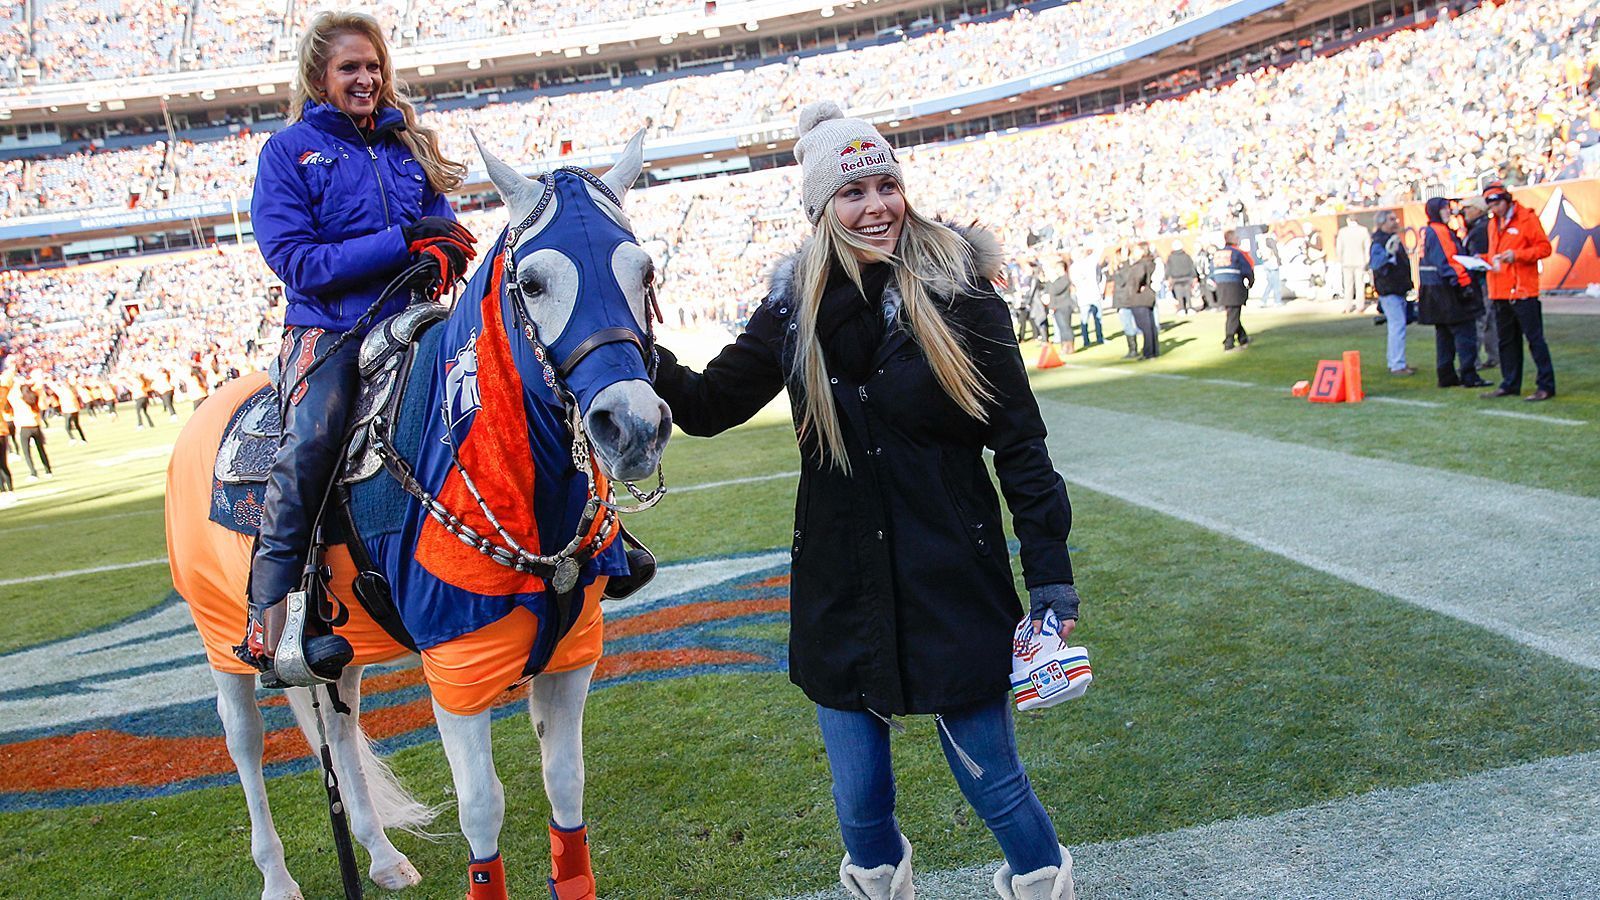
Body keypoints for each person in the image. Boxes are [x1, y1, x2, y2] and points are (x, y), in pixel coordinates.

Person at [653, 102, 1080, 900]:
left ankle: (1045, 886)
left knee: (998, 787)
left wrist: (1050, 582)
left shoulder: (962, 297)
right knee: (861, 811)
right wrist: (631, 346)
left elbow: (1022, 446)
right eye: (852, 192)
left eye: (887, 183)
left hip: (951, 579)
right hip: (838, 592)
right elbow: (709, 406)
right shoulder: (793, 309)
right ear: (820, 209)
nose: (876, 205)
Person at [239, 11, 476, 675]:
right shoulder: (287, 153)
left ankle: (590, 543)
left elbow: (443, 226)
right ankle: (274, 618)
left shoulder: (410, 144)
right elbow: (297, 262)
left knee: (512, 384)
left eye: (373, 66)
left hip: (416, 320)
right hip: (329, 328)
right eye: (350, 68)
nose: (366, 78)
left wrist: (444, 252)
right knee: (311, 442)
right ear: (320, 77)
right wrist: (403, 242)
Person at [1477, 181, 1555, 402]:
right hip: (1500, 291)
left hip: (1522, 291)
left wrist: (1517, 255)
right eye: (1490, 206)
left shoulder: (1527, 218)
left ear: (1505, 201)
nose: (1492, 211)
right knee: (1506, 341)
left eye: (1495, 205)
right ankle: (1510, 384)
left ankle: (1546, 386)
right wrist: (1481, 260)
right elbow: (1496, 254)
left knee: (1535, 340)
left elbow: (1544, 248)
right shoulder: (1494, 223)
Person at [1417, 198, 1489, 388]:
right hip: (1446, 289)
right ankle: (1469, 374)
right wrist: (1464, 284)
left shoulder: (1427, 231)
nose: (1449, 212)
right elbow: (1449, 261)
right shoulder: (1439, 231)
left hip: (1431, 288)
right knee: (1465, 332)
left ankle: (1446, 375)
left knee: (1444, 335)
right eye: (1444, 209)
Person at [1368, 211, 1414, 375]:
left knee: (1397, 326)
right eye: (1391, 219)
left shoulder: (1387, 239)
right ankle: (1397, 364)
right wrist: (1389, 254)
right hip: (1389, 289)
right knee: (1397, 326)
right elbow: (1376, 264)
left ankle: (1396, 361)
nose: (1396, 222)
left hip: (1396, 288)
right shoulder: (1380, 242)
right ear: (1382, 223)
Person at [1459, 200, 1498, 370]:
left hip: (1483, 280)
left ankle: (1473, 361)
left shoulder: (1481, 229)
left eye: (1468, 208)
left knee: (1480, 320)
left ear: (1478, 209)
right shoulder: (1483, 227)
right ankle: (1494, 356)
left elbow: (1480, 257)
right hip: (1487, 280)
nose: (1465, 212)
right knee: (1490, 319)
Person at [1213, 230, 1254, 351]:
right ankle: (1229, 342)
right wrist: (1250, 282)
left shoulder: (1218, 253)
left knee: (1232, 313)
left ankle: (1243, 338)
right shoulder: (1237, 253)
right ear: (1232, 238)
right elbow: (1247, 269)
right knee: (1233, 315)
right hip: (1234, 286)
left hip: (1221, 286)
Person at [8, 370, 52, 480]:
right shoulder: (34, 396)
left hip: (24, 428)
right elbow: (39, 386)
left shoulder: (18, 399)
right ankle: (48, 471)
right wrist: (31, 381)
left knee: (27, 453)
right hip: (36, 426)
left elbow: (10, 393)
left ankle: (33, 473)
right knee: (41, 449)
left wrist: (17, 382)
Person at [1126, 242, 1159, 359]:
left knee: (1144, 326)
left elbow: (1138, 277)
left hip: (1139, 298)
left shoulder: (1141, 265)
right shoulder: (1150, 262)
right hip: (1148, 296)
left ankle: (1148, 352)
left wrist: (1134, 289)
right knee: (1150, 326)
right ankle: (1153, 351)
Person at [1336, 216, 1372, 313]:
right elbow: (1368, 246)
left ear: (1348, 220)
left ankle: (1347, 307)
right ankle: (1360, 307)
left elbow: (1339, 248)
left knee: (1348, 286)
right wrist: (1367, 259)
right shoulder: (1363, 230)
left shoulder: (1342, 232)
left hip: (1346, 261)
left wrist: (1340, 260)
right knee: (1360, 285)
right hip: (1360, 261)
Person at [1046, 253, 1076, 355]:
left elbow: (1055, 290)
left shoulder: (1065, 279)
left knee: (1066, 327)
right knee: (1061, 328)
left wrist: (1050, 281)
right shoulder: (1058, 279)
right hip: (1057, 307)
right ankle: (1064, 346)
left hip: (1064, 306)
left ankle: (1070, 346)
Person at [1165, 241, 1197, 314]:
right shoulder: (1187, 256)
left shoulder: (1170, 257)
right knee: (1188, 294)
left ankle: (1181, 309)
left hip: (1176, 279)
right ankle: (1190, 308)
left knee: (1179, 295)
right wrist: (1194, 276)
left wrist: (1167, 278)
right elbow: (1192, 267)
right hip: (1187, 278)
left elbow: (1168, 269)